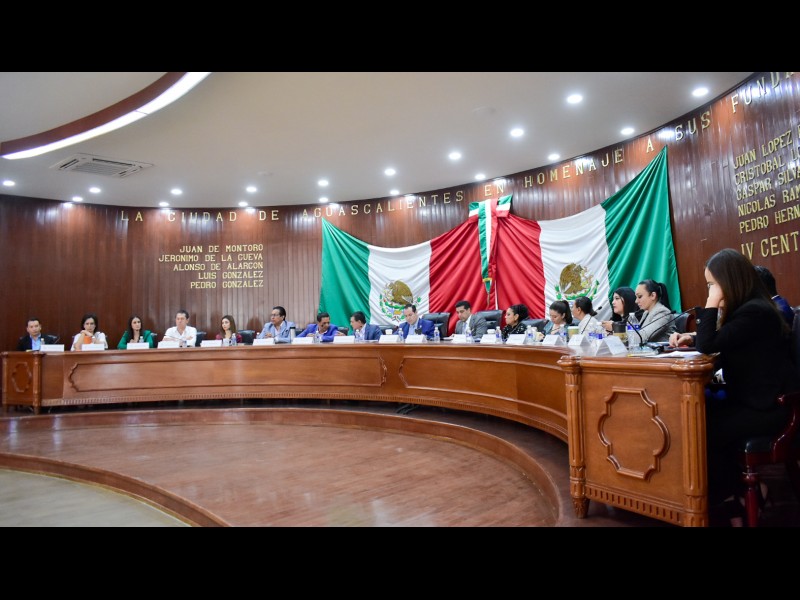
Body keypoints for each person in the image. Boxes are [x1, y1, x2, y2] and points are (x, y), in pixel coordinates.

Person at [694, 248, 799, 524]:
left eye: (712, 284)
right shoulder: (749, 309)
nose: (711, 291)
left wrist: (711, 302)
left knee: (703, 428)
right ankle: (735, 492)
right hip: (754, 399)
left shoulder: (755, 312)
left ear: (729, 281)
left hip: (771, 408)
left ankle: (732, 497)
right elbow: (722, 345)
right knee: (700, 415)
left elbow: (707, 344)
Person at [633, 279, 676, 343]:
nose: (636, 301)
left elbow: (642, 337)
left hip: (663, 349)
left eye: (640, 296)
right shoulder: (646, 312)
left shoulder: (663, 312)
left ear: (653, 295)